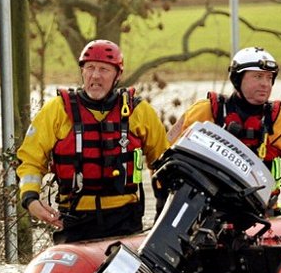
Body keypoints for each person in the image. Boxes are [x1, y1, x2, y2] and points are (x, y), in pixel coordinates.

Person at [17, 39, 171, 243]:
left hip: (126, 223)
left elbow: (164, 164)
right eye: (90, 68)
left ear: (118, 75)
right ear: (82, 72)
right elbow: (30, 161)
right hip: (74, 223)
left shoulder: (139, 111)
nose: (95, 76)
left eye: (104, 69)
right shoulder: (57, 111)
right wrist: (31, 200)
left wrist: (164, 208)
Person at [166, 47, 281, 214]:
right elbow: (166, 151)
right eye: (257, 77)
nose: (265, 84)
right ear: (237, 79)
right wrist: (161, 197)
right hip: (208, 207)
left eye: (269, 78)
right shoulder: (206, 111)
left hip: (261, 210)